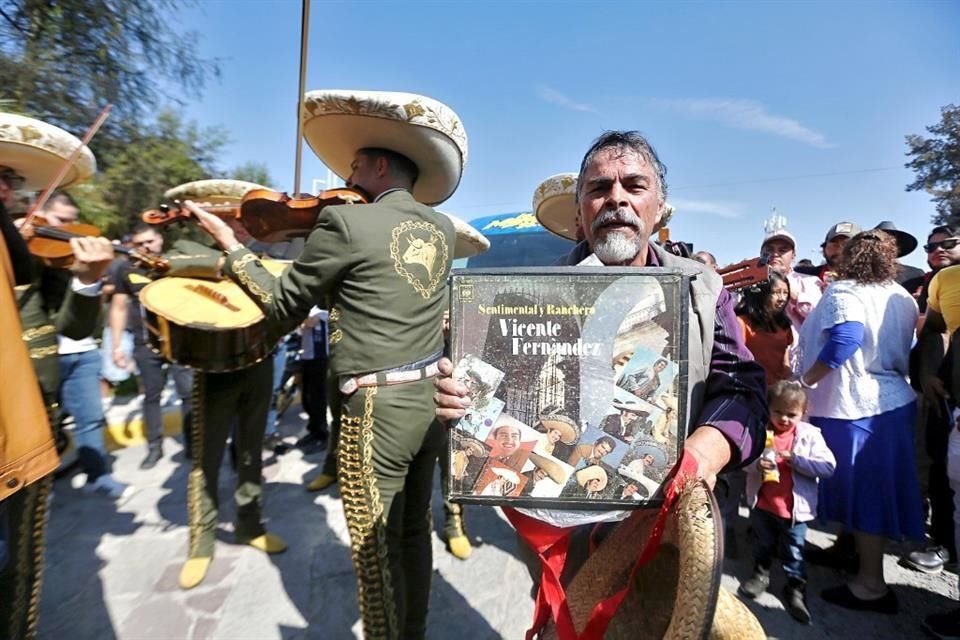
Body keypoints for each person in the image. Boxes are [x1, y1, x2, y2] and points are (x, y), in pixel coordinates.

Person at [434, 130, 768, 635]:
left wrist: (700, 459)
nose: (616, 198)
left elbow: (742, 389)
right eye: (598, 188)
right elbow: (499, 403)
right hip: (559, 527)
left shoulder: (702, 290)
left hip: (667, 523)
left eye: (634, 185)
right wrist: (466, 401)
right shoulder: (528, 296)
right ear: (579, 213)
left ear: (658, 207)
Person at [186, 88, 465, 639]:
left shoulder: (342, 225)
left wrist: (233, 248)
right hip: (429, 401)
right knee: (414, 533)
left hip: (376, 412)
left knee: (373, 546)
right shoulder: (441, 229)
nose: (348, 177)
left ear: (380, 166)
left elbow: (283, 303)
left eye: (356, 166)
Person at [0, 113, 111, 639]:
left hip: (25, 420)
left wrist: (88, 282)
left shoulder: (36, 258)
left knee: (14, 569)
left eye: (10, 182)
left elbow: (64, 325)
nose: (7, 192)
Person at [156, 179, 288, 591]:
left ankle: (250, 524)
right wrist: (230, 256)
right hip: (211, 373)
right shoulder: (187, 252)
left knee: (251, 453)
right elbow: (163, 264)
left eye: (248, 218)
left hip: (259, 364)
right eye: (233, 218)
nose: (243, 226)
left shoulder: (266, 260)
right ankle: (202, 542)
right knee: (206, 459)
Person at [796, 230, 923, 613]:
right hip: (892, 401)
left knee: (867, 493)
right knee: (864, 488)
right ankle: (848, 549)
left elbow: (846, 338)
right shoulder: (899, 295)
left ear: (848, 258)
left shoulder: (844, 291)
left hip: (857, 407)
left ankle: (871, 585)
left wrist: (805, 381)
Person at [40, 191, 131, 498]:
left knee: (90, 417)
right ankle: (39, 486)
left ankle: (98, 474)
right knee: (42, 427)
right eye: (60, 222)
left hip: (82, 351)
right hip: (43, 357)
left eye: (73, 223)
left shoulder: (72, 258)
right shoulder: (27, 256)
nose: (67, 232)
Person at [738, 381, 836, 625]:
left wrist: (799, 461)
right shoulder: (761, 433)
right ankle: (761, 575)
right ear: (768, 409)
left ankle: (795, 588)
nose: (783, 419)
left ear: (803, 413)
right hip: (763, 505)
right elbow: (743, 460)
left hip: (794, 512)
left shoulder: (810, 436)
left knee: (794, 550)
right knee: (763, 543)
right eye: (778, 412)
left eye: (791, 414)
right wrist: (755, 465)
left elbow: (828, 467)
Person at [109, 223, 194, 469]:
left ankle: (193, 445)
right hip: (145, 342)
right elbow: (119, 305)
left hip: (179, 342)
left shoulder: (177, 265)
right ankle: (154, 448)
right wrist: (116, 346)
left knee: (188, 393)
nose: (146, 247)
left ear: (159, 239)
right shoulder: (125, 269)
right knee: (151, 396)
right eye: (140, 243)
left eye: (150, 241)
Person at [735, 270, 795, 384]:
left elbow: (785, 359)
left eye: (785, 293)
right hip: (752, 390)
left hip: (777, 391)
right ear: (760, 294)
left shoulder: (783, 324)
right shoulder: (742, 323)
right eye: (776, 292)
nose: (782, 298)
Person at [760, 229, 821, 330]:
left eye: (782, 250)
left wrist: (796, 297)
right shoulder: (750, 284)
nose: (775, 254)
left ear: (793, 256)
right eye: (770, 249)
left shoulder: (810, 282)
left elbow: (820, 318)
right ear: (761, 254)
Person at [795, 221, 861, 286]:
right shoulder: (802, 276)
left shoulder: (869, 281)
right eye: (834, 244)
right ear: (824, 250)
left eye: (847, 244)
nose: (841, 249)